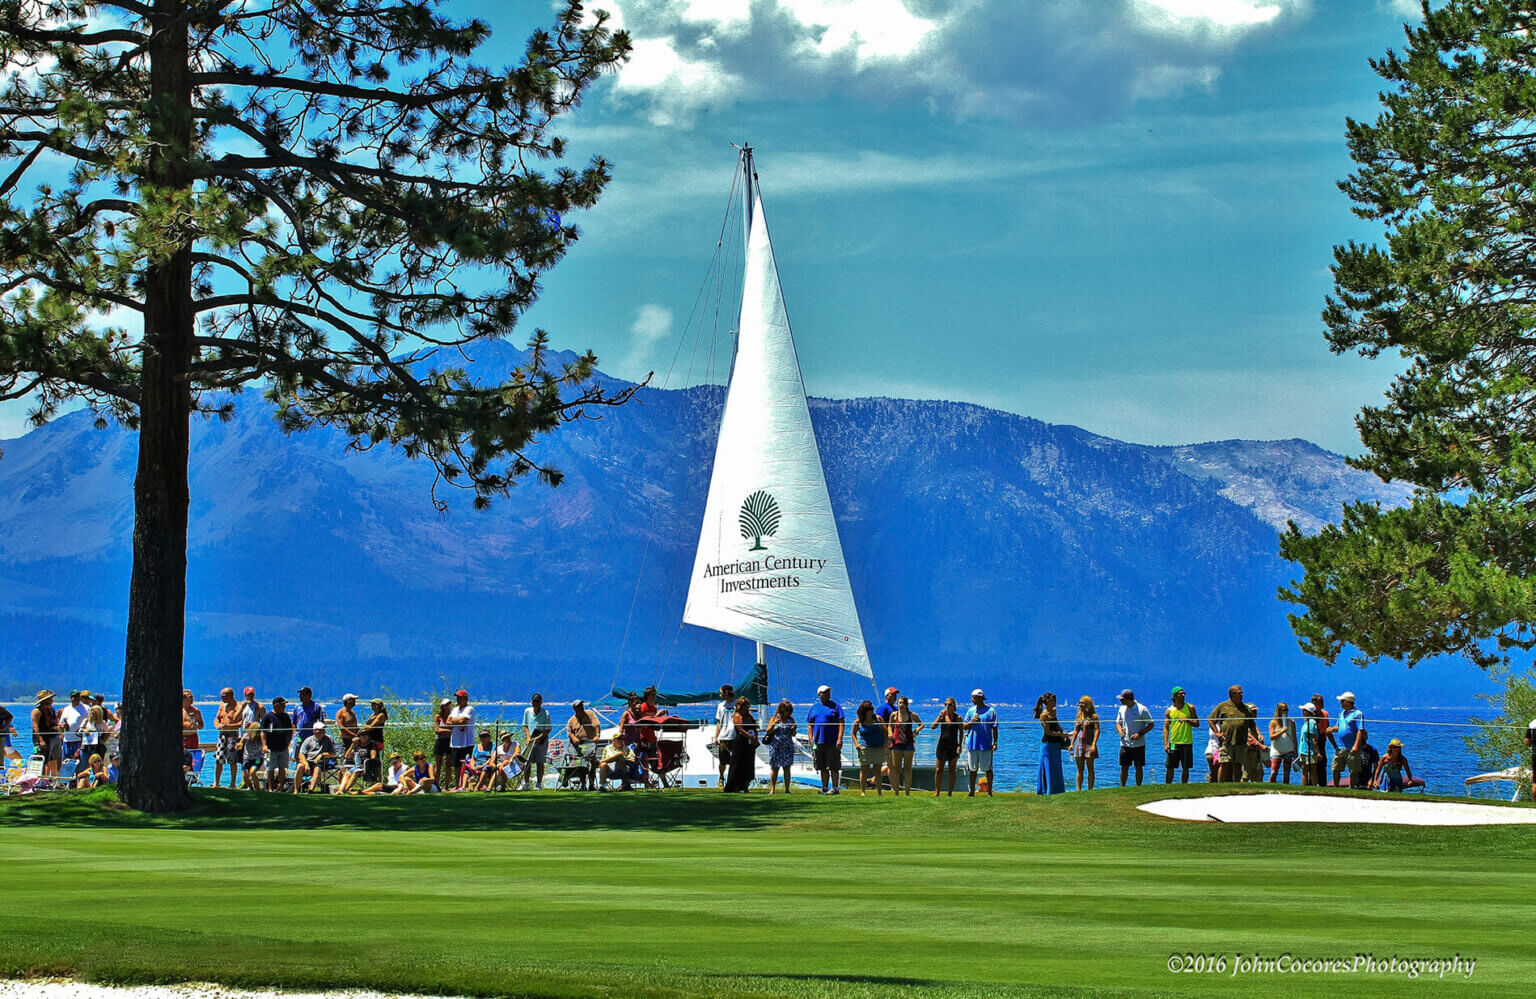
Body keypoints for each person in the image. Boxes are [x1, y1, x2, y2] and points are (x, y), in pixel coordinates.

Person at [1208, 685, 1256, 784]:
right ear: (1232, 695)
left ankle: (1236, 785)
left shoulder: (1245, 708)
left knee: (1238, 764)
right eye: (1239, 693)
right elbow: (1211, 719)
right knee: (1224, 763)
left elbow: (1251, 724)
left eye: (1242, 693)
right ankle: (1220, 786)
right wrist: (1217, 733)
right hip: (1227, 740)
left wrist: (1256, 740)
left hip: (1241, 741)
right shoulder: (1222, 706)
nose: (1242, 695)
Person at [806, 685, 845, 794]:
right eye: (825, 692)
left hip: (832, 741)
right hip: (818, 741)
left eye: (828, 692)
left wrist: (840, 738)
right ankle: (824, 787)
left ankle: (836, 788)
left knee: (833, 765)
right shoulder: (814, 707)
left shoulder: (836, 707)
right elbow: (810, 724)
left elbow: (841, 723)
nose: (827, 694)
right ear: (819, 694)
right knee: (822, 766)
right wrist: (810, 738)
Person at [962, 689, 998, 797]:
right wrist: (972, 721)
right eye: (972, 697)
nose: (972, 700)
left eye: (974, 698)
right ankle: (971, 791)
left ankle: (990, 791)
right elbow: (964, 727)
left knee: (988, 769)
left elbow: (995, 728)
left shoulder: (991, 711)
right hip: (972, 744)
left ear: (980, 698)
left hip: (986, 744)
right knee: (972, 769)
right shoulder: (970, 711)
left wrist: (995, 742)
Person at [1114, 689, 1153, 787]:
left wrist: (1139, 734)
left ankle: (1138, 787)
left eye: (1122, 699)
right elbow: (1118, 723)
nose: (1120, 701)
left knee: (1138, 766)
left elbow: (1151, 724)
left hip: (1139, 744)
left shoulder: (1142, 709)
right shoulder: (1122, 709)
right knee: (1124, 767)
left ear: (1128, 699)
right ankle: (1122, 787)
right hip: (1125, 743)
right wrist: (1120, 731)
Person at [1034, 693, 1068, 795]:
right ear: (1046, 702)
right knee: (1048, 766)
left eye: (1055, 700)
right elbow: (1048, 731)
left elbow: (1056, 724)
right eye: (1052, 700)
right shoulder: (1043, 715)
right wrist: (1061, 735)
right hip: (1048, 744)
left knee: (1056, 766)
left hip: (1056, 743)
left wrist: (1062, 732)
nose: (1054, 702)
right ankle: (1047, 790)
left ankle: (1058, 789)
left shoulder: (1054, 711)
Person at [1330, 692, 1366, 787]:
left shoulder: (1357, 714)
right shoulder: (1341, 713)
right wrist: (1331, 729)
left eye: (1342, 701)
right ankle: (1336, 787)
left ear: (1348, 702)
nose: (1340, 703)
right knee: (1335, 768)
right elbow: (1339, 727)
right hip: (1340, 747)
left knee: (1353, 770)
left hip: (1352, 748)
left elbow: (1360, 730)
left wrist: (1356, 745)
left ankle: (1352, 787)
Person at [1162, 687, 1197, 784]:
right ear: (1174, 696)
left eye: (1184, 693)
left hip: (1187, 742)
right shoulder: (1169, 711)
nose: (1183, 695)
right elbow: (1166, 728)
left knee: (1186, 767)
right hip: (1173, 743)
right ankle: (1167, 787)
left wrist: (1187, 720)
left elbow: (1197, 723)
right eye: (1180, 694)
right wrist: (1166, 744)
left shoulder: (1190, 708)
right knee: (1170, 766)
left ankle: (1184, 786)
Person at [762, 699, 797, 794]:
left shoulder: (791, 719)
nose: (788, 712)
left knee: (787, 767)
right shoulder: (774, 718)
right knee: (774, 767)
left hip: (787, 746)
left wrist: (794, 729)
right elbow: (768, 731)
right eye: (786, 710)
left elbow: (793, 734)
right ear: (781, 709)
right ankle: (772, 789)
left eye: (789, 710)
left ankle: (787, 789)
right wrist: (774, 724)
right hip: (776, 746)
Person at [887, 696, 920, 795]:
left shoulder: (912, 715)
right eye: (899, 703)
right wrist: (890, 733)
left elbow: (921, 724)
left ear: (906, 705)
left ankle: (907, 792)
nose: (901, 705)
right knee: (896, 768)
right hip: (896, 743)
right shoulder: (894, 715)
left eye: (903, 703)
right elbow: (889, 725)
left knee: (907, 768)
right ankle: (896, 792)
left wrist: (917, 730)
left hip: (908, 744)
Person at [724, 697, 758, 793]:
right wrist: (750, 737)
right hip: (740, 742)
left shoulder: (750, 716)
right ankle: (733, 786)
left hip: (750, 743)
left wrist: (755, 737)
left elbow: (754, 727)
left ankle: (745, 786)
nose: (746, 707)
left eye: (747, 705)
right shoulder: (737, 716)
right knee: (737, 764)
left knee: (749, 764)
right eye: (744, 705)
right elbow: (740, 729)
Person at [853, 700, 887, 796]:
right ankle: (863, 791)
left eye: (872, 708)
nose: (872, 710)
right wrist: (856, 744)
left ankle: (879, 792)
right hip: (865, 747)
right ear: (864, 711)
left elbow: (885, 731)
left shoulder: (878, 719)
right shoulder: (859, 721)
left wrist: (885, 743)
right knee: (864, 770)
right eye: (870, 709)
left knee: (878, 770)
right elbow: (853, 733)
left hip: (878, 747)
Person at [930, 697, 962, 796]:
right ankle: (937, 791)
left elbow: (961, 732)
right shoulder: (942, 716)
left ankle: (949, 793)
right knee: (938, 770)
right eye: (945, 705)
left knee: (952, 770)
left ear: (954, 706)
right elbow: (933, 727)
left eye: (949, 705)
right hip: (942, 746)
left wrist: (960, 745)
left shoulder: (958, 718)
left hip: (953, 746)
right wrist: (939, 718)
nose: (947, 706)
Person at [261, 695, 293, 792]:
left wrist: (289, 741)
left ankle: (281, 787)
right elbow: (263, 732)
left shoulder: (286, 716)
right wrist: (264, 745)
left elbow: (290, 730)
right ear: (276, 705)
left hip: (283, 747)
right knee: (270, 768)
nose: (284, 707)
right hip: (270, 747)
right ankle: (270, 788)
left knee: (282, 767)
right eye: (283, 705)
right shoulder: (267, 717)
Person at [294, 721, 337, 794]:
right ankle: (296, 790)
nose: (323, 731)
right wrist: (306, 764)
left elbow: (333, 754)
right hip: (308, 761)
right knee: (300, 766)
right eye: (321, 730)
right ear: (315, 731)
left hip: (321, 762)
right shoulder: (308, 740)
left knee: (317, 768)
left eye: (323, 730)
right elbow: (301, 754)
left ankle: (311, 790)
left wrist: (322, 755)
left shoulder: (328, 739)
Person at [520, 693, 552, 790]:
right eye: (534, 701)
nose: (535, 703)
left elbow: (548, 729)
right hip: (530, 739)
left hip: (542, 740)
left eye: (537, 702)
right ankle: (526, 783)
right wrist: (528, 738)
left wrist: (538, 739)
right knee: (527, 761)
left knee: (540, 762)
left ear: (541, 702)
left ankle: (538, 783)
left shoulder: (546, 713)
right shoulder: (527, 711)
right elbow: (525, 725)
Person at [212, 688, 243, 788]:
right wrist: (218, 725)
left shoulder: (238, 707)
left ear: (230, 695)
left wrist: (228, 726)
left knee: (232, 759)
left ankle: (232, 783)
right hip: (222, 735)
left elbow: (241, 723)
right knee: (219, 758)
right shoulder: (222, 706)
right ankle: (216, 783)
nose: (221, 698)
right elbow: (217, 718)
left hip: (232, 735)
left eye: (223, 696)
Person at [567, 700, 600, 791]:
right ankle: (583, 784)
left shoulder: (590, 714)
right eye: (578, 706)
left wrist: (597, 736)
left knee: (592, 763)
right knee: (581, 764)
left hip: (590, 742)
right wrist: (573, 738)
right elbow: (569, 732)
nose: (581, 708)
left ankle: (592, 784)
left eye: (582, 705)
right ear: (574, 708)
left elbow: (597, 726)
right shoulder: (571, 720)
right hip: (578, 745)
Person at [1070, 696, 1100, 791]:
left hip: (1089, 744)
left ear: (1087, 704)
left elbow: (1097, 730)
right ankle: (1078, 790)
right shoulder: (1079, 715)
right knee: (1080, 769)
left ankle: (1090, 789)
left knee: (1090, 768)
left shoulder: (1093, 717)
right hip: (1080, 744)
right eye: (1079, 703)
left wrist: (1094, 744)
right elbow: (1076, 730)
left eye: (1082, 703)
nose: (1080, 704)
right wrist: (1072, 743)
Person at [712, 683, 736, 789]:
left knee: (736, 760)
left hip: (735, 736)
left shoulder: (737, 705)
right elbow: (719, 723)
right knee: (722, 760)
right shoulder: (720, 706)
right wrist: (716, 736)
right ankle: (721, 778)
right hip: (724, 736)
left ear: (727, 693)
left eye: (721, 693)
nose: (720, 695)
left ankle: (734, 780)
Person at [31, 690, 60, 777]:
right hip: (42, 738)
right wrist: (40, 739)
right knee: (41, 759)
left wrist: (59, 728)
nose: (51, 700)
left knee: (53, 758)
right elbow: (35, 726)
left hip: (52, 736)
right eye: (49, 699)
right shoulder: (37, 711)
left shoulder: (51, 709)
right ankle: (40, 778)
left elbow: (53, 724)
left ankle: (54, 779)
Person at [1310, 693, 1336, 786]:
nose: (1322, 703)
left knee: (1323, 764)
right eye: (1320, 702)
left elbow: (1327, 730)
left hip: (1322, 741)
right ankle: (1311, 785)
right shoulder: (1311, 715)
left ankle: (1322, 785)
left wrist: (1334, 745)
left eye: (1322, 701)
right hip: (1313, 742)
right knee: (1312, 766)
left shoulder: (1325, 713)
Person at [58, 690, 89, 767]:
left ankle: (78, 777)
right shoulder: (66, 709)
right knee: (66, 762)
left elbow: (89, 721)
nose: (76, 699)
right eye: (74, 697)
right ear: (71, 698)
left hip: (78, 740)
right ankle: (68, 778)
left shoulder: (85, 708)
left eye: (78, 697)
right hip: (67, 740)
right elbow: (61, 723)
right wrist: (62, 728)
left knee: (78, 762)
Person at [1268, 703, 1297, 784]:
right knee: (1274, 772)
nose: (1285, 712)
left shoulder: (1291, 722)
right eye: (1283, 710)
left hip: (1288, 749)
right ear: (1279, 710)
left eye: (1287, 710)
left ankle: (1286, 790)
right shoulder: (1273, 722)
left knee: (1287, 773)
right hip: (1277, 750)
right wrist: (1282, 731)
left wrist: (1296, 751)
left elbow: (1294, 738)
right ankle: (1271, 788)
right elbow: (1272, 737)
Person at [361, 698, 387, 785]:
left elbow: (371, 727)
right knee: (369, 759)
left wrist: (365, 726)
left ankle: (377, 779)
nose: (372, 706)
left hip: (377, 741)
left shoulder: (381, 715)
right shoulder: (373, 715)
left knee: (375, 761)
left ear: (379, 706)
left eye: (374, 704)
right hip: (370, 741)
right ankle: (370, 778)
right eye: (372, 704)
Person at [432, 698, 453, 788]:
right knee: (438, 764)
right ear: (442, 706)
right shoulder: (438, 716)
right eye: (446, 705)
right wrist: (449, 731)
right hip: (440, 741)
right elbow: (437, 730)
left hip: (449, 741)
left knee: (448, 764)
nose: (448, 706)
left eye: (449, 704)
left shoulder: (452, 716)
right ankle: (437, 785)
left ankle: (447, 785)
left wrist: (444, 730)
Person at [1242, 702, 1267, 782]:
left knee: (1258, 775)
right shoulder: (1244, 723)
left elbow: (1257, 733)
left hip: (1256, 754)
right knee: (1245, 775)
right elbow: (1249, 735)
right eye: (1253, 711)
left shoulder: (1253, 724)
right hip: (1247, 754)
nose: (1256, 713)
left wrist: (1260, 736)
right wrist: (1260, 745)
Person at [335, 693, 361, 766]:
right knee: (346, 758)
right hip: (346, 739)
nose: (354, 702)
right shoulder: (340, 713)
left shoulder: (352, 713)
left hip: (355, 739)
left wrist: (360, 733)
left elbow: (356, 726)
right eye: (353, 700)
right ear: (348, 701)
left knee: (355, 757)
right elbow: (341, 727)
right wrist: (353, 735)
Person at [1297, 704, 1320, 787]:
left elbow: (1314, 739)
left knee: (1312, 770)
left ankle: (1314, 786)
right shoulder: (1306, 721)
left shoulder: (1311, 722)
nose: (1303, 711)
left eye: (1304, 710)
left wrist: (1317, 752)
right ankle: (1304, 787)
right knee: (1304, 770)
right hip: (1303, 750)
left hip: (1310, 751)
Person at [239, 722, 264, 789]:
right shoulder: (246, 736)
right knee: (244, 775)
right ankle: (251, 788)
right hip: (247, 758)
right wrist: (238, 746)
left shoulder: (261, 737)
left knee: (252, 772)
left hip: (258, 758)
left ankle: (257, 788)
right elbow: (239, 744)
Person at [181, 689, 204, 761]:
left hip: (193, 737)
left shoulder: (196, 711)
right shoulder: (179, 710)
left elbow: (201, 725)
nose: (192, 699)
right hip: (182, 737)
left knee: (193, 757)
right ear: (183, 698)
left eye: (192, 697)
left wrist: (197, 726)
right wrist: (186, 725)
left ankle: (193, 770)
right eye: (189, 697)